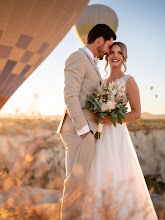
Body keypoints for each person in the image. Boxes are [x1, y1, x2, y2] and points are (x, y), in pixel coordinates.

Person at [81, 42, 158, 219]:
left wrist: (114, 118)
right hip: (100, 134)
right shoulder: (101, 81)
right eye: (112, 52)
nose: (115, 55)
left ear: (124, 57)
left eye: (119, 53)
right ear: (107, 57)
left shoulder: (128, 80)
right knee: (99, 172)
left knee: (119, 173)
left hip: (117, 134)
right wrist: (98, 115)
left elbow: (137, 112)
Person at [56, 24, 116, 220]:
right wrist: (84, 131)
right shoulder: (77, 57)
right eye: (109, 46)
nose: (108, 51)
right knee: (75, 183)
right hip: (79, 131)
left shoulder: (91, 63)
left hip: (87, 130)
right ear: (100, 40)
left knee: (81, 183)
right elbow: (70, 96)